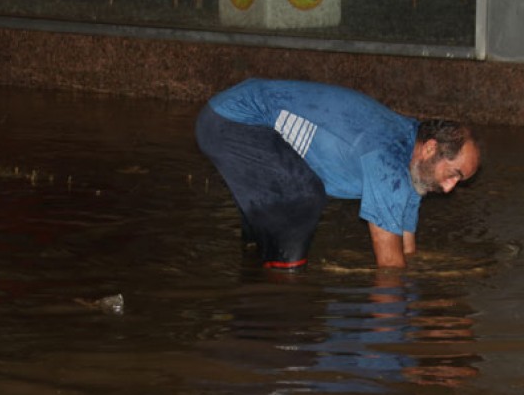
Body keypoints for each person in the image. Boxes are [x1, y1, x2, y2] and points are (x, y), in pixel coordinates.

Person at [195, 78, 479, 269]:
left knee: (269, 228)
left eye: (459, 180)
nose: (449, 188)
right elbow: (390, 268)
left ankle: (257, 274)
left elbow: (407, 250)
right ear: (430, 148)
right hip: (232, 122)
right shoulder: (388, 161)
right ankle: (282, 295)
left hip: (241, 120)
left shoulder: (413, 160)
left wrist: (417, 287)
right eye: (452, 174)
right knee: (302, 199)